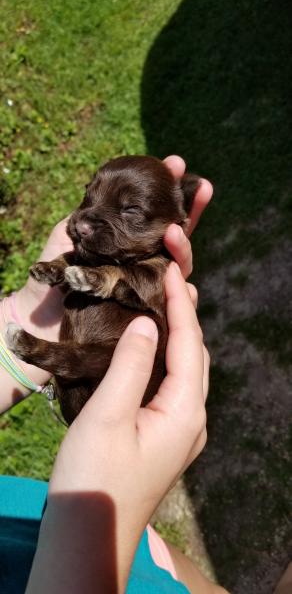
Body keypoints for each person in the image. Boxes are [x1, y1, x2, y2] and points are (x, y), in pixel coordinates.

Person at [0, 156, 228, 593]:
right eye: (90, 196)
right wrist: (102, 519)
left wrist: (94, 284)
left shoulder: (152, 265)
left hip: (29, 516)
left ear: (171, 220)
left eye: (128, 212)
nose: (85, 220)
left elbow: (141, 285)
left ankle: (46, 353)